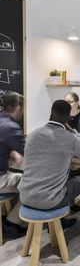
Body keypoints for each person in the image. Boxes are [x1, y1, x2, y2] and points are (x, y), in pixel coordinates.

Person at [19, 100, 80, 246]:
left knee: (64, 175)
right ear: (69, 118)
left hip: (25, 196)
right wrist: (74, 132)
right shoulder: (69, 138)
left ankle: (61, 221)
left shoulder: (32, 135)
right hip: (51, 200)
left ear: (50, 114)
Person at [0, 91, 26, 237]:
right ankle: (11, 223)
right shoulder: (11, 127)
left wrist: (10, 152)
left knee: (18, 176)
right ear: (16, 107)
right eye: (21, 108)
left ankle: (7, 215)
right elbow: (29, 151)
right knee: (31, 184)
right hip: (0, 179)